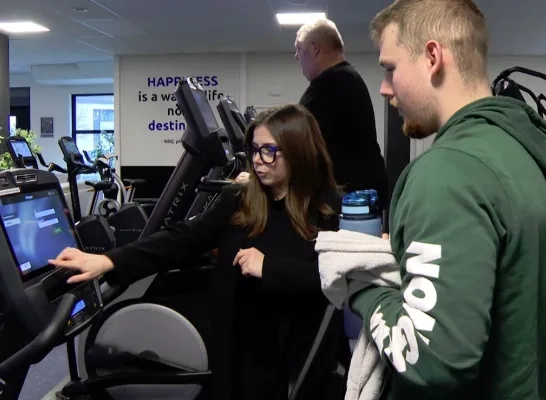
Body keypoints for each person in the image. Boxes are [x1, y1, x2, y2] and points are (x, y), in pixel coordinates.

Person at [49, 104, 349, 400]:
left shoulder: (329, 209)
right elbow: (182, 239)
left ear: (298, 151)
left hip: (296, 357)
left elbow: (336, 278)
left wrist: (269, 267)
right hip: (240, 355)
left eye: (269, 150)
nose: (258, 160)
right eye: (255, 149)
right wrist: (109, 260)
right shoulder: (240, 200)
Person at [347, 0, 546, 399]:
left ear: (432, 57)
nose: (385, 88)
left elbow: (431, 359)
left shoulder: (448, 173)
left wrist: (362, 288)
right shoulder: (523, 148)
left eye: (390, 68)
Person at [295, 18, 388, 210]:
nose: (296, 56)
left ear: (314, 48)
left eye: (299, 49)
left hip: (346, 201)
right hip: (358, 195)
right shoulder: (348, 79)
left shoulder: (328, 86)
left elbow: (299, 145)